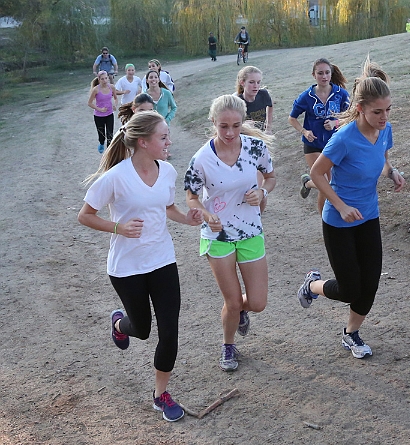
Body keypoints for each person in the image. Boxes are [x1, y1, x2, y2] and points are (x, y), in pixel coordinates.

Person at [78, 111, 203, 422]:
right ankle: (119, 324)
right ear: (144, 142)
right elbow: (85, 215)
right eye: (163, 137)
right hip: (127, 267)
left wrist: (186, 219)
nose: (169, 142)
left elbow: (167, 206)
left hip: (162, 260)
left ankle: (160, 395)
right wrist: (118, 228)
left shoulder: (168, 171)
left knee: (170, 331)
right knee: (143, 330)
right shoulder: (116, 177)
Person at [296, 57, 405, 359]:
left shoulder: (384, 130)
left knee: (368, 286)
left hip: (369, 215)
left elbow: (381, 158)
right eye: (377, 112)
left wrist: (392, 172)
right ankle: (313, 285)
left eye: (388, 110)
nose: (384, 117)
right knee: (348, 289)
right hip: (339, 221)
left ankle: (351, 334)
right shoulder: (343, 139)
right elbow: (317, 174)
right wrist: (341, 206)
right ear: (360, 109)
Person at [184, 95, 276, 372]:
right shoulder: (201, 159)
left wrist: (262, 192)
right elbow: (191, 196)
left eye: (236, 126)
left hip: (250, 231)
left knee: (257, 303)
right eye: (223, 126)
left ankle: (240, 313)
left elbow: (271, 178)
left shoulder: (255, 148)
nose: (229, 133)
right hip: (218, 235)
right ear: (213, 123)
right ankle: (228, 345)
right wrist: (207, 214)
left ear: (243, 123)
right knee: (232, 301)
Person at [289, 58, 351, 213]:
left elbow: (350, 116)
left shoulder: (340, 94)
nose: (324, 76)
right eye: (320, 73)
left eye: (327, 73)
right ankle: (325, 219)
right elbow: (292, 118)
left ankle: (308, 183)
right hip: (313, 144)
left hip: (334, 143)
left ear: (331, 73)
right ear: (313, 75)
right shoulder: (306, 96)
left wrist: (335, 123)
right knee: (327, 183)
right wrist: (304, 131)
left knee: (330, 182)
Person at [235, 66, 274, 212]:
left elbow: (270, 107)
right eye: (251, 82)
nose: (256, 86)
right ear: (242, 82)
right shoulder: (237, 101)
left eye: (258, 82)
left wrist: (268, 127)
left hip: (261, 144)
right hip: (243, 146)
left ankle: (258, 214)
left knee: (262, 183)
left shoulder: (263, 95)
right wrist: (244, 125)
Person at [88, 70, 119, 154]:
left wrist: (115, 105)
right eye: (102, 79)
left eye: (106, 78)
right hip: (99, 116)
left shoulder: (111, 87)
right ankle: (101, 143)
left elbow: (116, 98)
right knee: (102, 136)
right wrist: (100, 109)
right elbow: (89, 103)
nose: (105, 80)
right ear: (99, 79)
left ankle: (109, 152)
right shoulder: (96, 90)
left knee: (110, 134)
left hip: (109, 114)